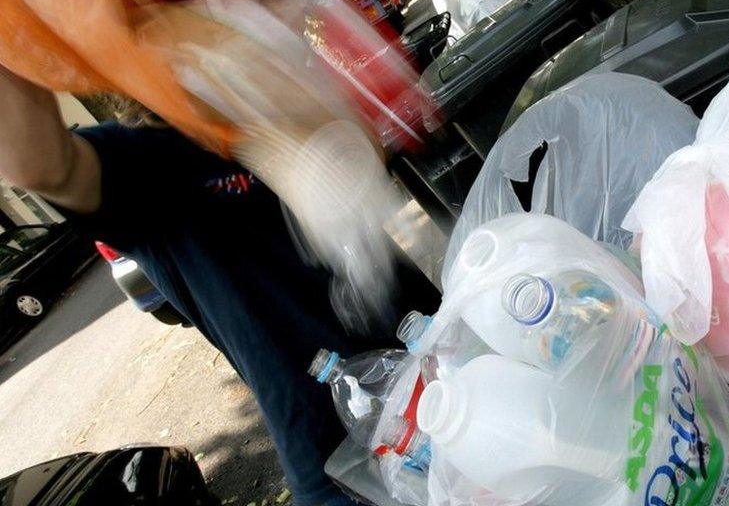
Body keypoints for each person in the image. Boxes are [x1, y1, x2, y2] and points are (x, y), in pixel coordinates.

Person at [0, 65, 436, 506]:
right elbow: (40, 163)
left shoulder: (268, 101)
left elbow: (370, 151)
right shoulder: (142, 164)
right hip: (350, 452)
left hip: (443, 357)